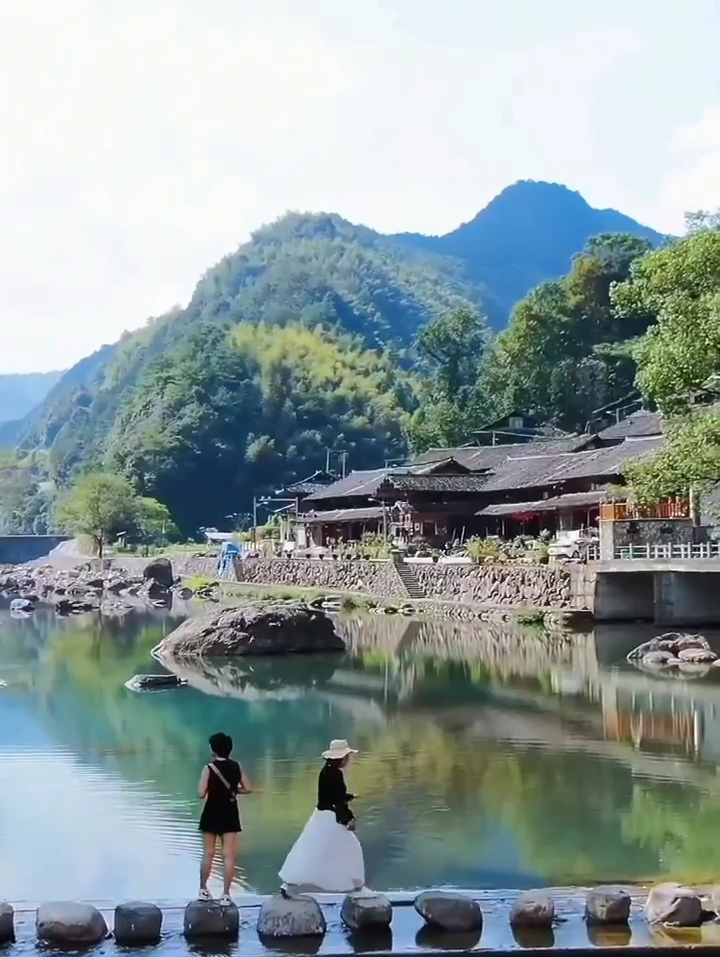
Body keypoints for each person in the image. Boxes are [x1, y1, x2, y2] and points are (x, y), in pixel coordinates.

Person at [279, 738, 369, 897]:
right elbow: (337, 801)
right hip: (330, 817)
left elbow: (330, 795)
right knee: (350, 848)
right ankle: (355, 885)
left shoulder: (325, 771)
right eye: (347, 757)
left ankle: (293, 883)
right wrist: (349, 818)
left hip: (320, 815)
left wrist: (347, 796)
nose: (348, 760)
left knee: (313, 850)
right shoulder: (336, 774)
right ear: (341, 758)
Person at [197, 732, 253, 903]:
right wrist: (235, 790)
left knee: (208, 853)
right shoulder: (236, 766)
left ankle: (203, 890)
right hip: (230, 812)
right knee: (228, 854)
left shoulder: (209, 768)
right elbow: (248, 788)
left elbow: (200, 793)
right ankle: (226, 894)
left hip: (212, 812)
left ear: (213, 749)